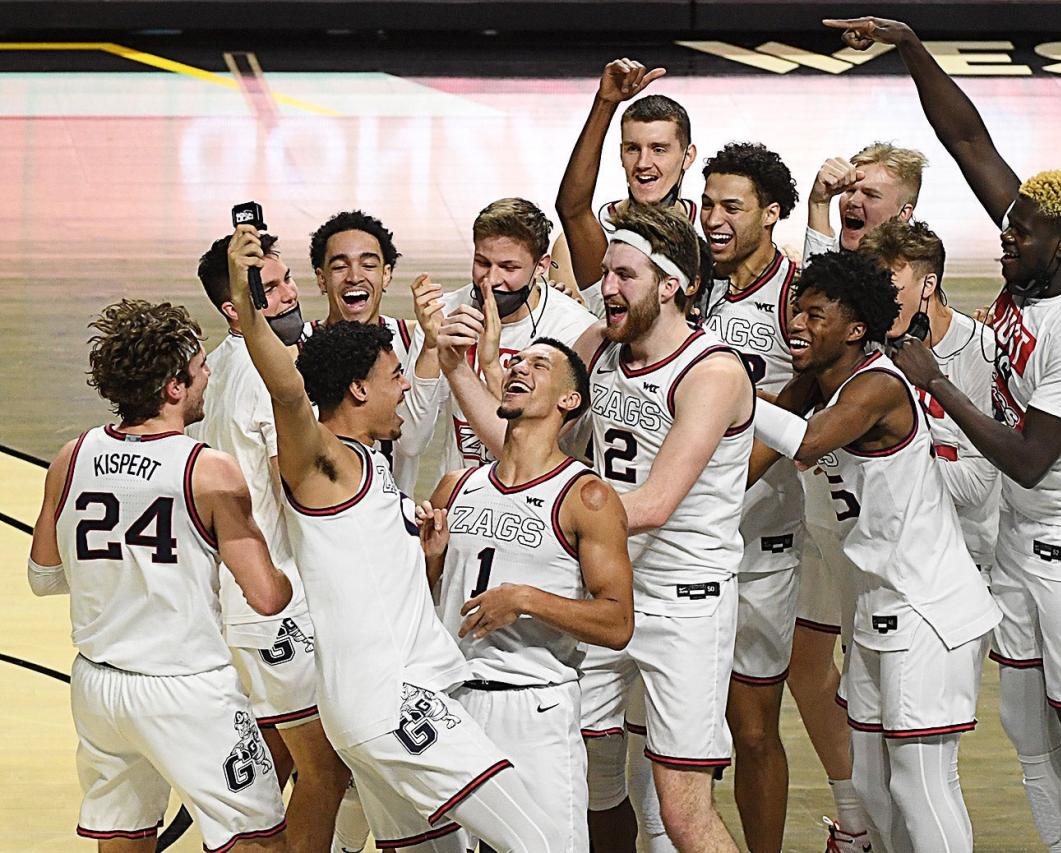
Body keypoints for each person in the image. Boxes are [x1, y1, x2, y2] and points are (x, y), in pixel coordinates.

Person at [830, 15, 1061, 851]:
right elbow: (966, 134)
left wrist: (933, 379)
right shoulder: (1035, 244)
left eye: (1020, 234)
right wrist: (909, 44)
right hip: (1024, 526)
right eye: (1007, 225)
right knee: (1029, 731)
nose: (1003, 238)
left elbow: (1029, 458)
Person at [225, 224, 561, 852]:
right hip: (394, 704)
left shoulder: (370, 464)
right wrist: (249, 312)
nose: (406, 383)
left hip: (378, 705)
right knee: (545, 843)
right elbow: (290, 393)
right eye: (392, 376)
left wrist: (425, 559)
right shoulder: (326, 464)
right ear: (357, 389)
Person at [439, 202, 755, 853]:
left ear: (671, 284)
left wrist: (537, 528)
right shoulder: (597, 347)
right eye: (606, 272)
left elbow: (655, 502)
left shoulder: (713, 372)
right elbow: (519, 448)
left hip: (684, 605)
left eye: (624, 275)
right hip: (604, 594)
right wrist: (458, 370)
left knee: (682, 808)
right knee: (590, 784)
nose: (605, 287)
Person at [751, 250, 1000, 851]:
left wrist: (720, 385)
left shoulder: (880, 386)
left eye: (814, 315)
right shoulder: (817, 386)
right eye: (795, 312)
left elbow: (806, 441)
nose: (796, 326)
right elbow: (751, 466)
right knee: (870, 781)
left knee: (920, 784)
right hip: (870, 610)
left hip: (928, 610)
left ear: (857, 328)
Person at [28, 298, 293, 852]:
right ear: (173, 387)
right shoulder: (209, 469)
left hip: (99, 687)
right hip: (185, 687)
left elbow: (44, 576)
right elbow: (267, 597)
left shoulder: (71, 457)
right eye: (199, 368)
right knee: (259, 840)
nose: (209, 375)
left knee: (124, 834)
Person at [425, 337, 634, 853]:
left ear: (569, 400)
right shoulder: (456, 485)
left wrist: (525, 599)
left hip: (534, 710)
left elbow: (617, 622)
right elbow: (421, 597)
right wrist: (430, 560)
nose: (519, 369)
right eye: (516, 362)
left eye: (539, 365)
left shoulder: (588, 496)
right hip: (452, 706)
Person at [194, 234, 352, 851]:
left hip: (241, 596)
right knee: (325, 769)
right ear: (236, 307)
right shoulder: (267, 375)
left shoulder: (223, 363)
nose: (291, 294)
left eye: (289, 280)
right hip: (275, 601)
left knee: (275, 761)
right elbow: (304, 482)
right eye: (273, 288)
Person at [793, 143, 927, 852]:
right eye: (849, 190)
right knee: (811, 669)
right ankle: (855, 821)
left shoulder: (907, 307)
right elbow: (814, 286)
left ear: (903, 210)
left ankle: (896, 826)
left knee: (911, 734)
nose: (854, 201)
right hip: (821, 517)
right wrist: (819, 199)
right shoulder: (827, 289)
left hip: (890, 547)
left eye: (868, 193)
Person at [696, 140, 803, 853]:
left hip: (763, 543)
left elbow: (813, 393)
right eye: (707, 204)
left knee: (754, 730)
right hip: (688, 544)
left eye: (730, 206)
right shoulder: (691, 281)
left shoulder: (798, 291)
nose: (712, 218)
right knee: (678, 734)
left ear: (770, 213)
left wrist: (736, 472)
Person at [857, 220, 999, 577]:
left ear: (928, 284)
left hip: (966, 558)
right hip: (891, 551)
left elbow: (977, 483)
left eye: (892, 289)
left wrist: (892, 467)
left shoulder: (982, 351)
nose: (880, 303)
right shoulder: (871, 346)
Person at [431, 198, 597, 475]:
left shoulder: (575, 331)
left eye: (509, 268)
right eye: (482, 263)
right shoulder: (448, 312)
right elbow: (412, 438)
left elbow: (522, 451)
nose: (491, 280)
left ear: (542, 266)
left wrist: (489, 365)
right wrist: (426, 349)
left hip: (537, 504)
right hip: (459, 497)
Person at [301, 209, 445, 495]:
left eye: (368, 265)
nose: (354, 277)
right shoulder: (298, 346)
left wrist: (430, 347)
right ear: (321, 278)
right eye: (340, 266)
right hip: (319, 516)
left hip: (390, 521)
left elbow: (412, 442)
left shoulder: (417, 339)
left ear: (386, 275)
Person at [554, 58, 697, 310]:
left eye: (659, 149)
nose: (643, 163)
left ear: (688, 156)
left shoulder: (709, 233)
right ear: (621, 154)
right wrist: (605, 102)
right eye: (633, 149)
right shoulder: (597, 232)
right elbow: (571, 210)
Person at [803, 142, 927, 261]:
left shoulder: (914, 277)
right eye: (850, 191)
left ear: (904, 213)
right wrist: (819, 203)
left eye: (871, 195)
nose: (853, 201)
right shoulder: (822, 259)